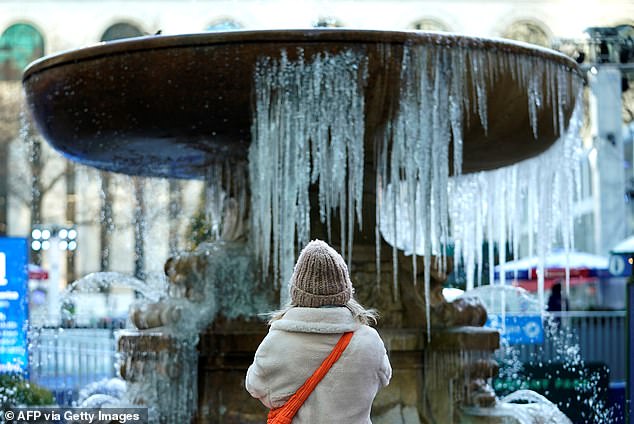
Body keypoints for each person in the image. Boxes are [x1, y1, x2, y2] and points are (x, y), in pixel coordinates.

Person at [246, 239, 392, 423]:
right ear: (345, 290)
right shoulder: (369, 340)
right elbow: (384, 377)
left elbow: (255, 386)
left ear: (296, 292)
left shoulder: (277, 341)